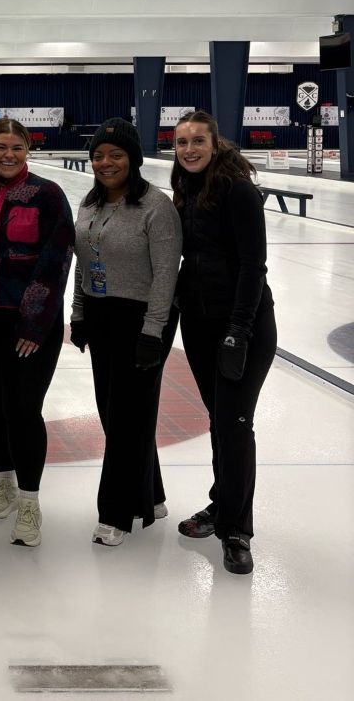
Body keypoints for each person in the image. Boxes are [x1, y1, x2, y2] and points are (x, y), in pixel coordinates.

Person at [170, 110, 276, 575]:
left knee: (235, 423)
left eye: (197, 141)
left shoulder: (239, 192)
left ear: (215, 144)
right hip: (199, 323)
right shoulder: (186, 189)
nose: (189, 149)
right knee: (219, 420)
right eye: (180, 142)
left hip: (243, 326)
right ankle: (222, 505)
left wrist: (239, 329)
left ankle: (238, 530)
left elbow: (254, 266)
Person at [70, 117, 182, 547]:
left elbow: (165, 277)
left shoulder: (156, 207)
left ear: (133, 159)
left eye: (115, 155)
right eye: (98, 155)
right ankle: (150, 495)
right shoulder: (90, 204)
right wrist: (79, 312)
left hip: (141, 320)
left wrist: (153, 331)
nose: (105, 162)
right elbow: (85, 261)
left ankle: (115, 512)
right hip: (101, 316)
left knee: (126, 419)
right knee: (114, 413)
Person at [0, 119, 75, 548]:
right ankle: (6, 482)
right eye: (0, 147)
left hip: (30, 324)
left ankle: (30, 500)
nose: (8, 154)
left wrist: (33, 321)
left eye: (16, 147)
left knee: (23, 408)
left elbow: (57, 258)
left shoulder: (48, 195)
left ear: (27, 150)